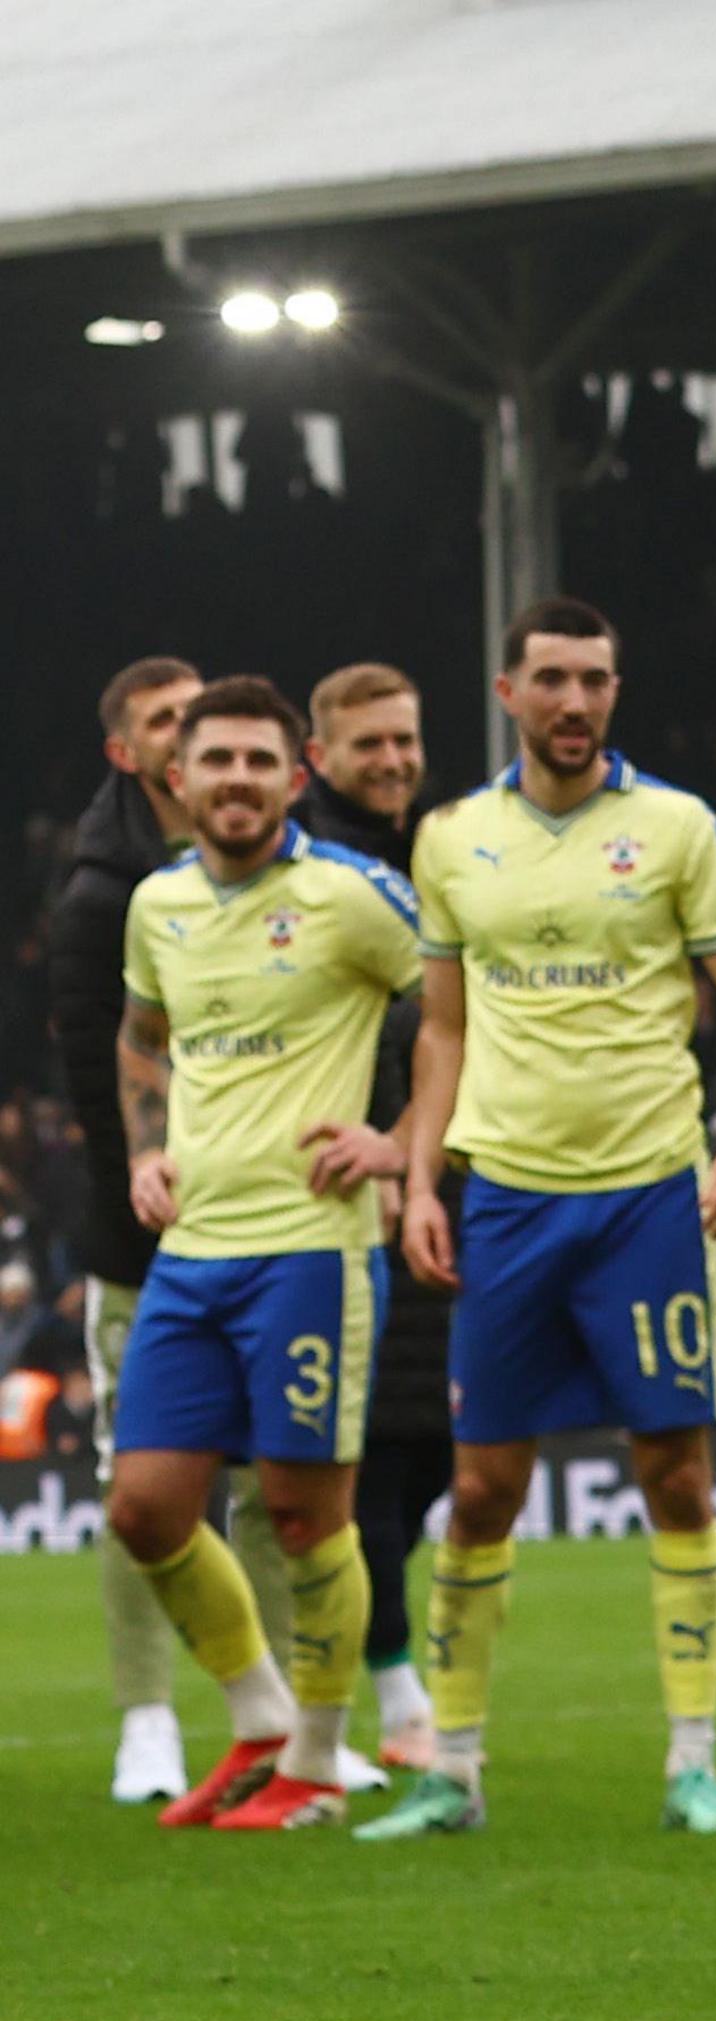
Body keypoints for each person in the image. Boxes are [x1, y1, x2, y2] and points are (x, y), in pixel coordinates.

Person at [361, 597, 716, 1840]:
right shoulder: (451, 839)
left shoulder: (674, 828)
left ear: (614, 691)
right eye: (551, 678)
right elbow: (439, 1028)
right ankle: (453, 1771)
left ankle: (693, 1763)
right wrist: (425, 1178)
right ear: (508, 691)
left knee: (677, 1475)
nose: (575, 701)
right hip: (507, 1200)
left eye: (595, 680)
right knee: (484, 1487)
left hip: (651, 1193)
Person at [104, 678, 421, 1829]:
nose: (236, 779)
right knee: (144, 1507)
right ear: (176, 779)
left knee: (303, 1512)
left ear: (297, 777)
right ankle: (261, 1719)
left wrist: (402, 1144)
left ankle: (319, 1764)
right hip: (193, 1252)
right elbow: (141, 1034)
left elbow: (465, 1007)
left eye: (259, 761)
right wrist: (148, 1145)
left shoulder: (353, 894)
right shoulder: (156, 904)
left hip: (312, 1250)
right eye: (215, 760)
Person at [51, 653, 309, 1804]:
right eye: (164, 722)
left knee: (272, 1480)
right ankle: (145, 1714)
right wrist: (140, 1219)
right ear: (131, 753)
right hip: (148, 1240)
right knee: (141, 1484)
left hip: (271, 1226)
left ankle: (284, 1707)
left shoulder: (269, 876)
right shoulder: (107, 895)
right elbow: (100, 1077)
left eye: (194, 715)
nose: (185, 733)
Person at [296, 661, 450, 1767]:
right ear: (321, 758)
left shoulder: (439, 854)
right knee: (381, 1460)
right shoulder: (303, 871)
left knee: (433, 1450)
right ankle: (388, 1702)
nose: (392, 760)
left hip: (446, 1186)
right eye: (368, 746)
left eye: (405, 740)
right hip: (344, 1196)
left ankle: (373, 1689)